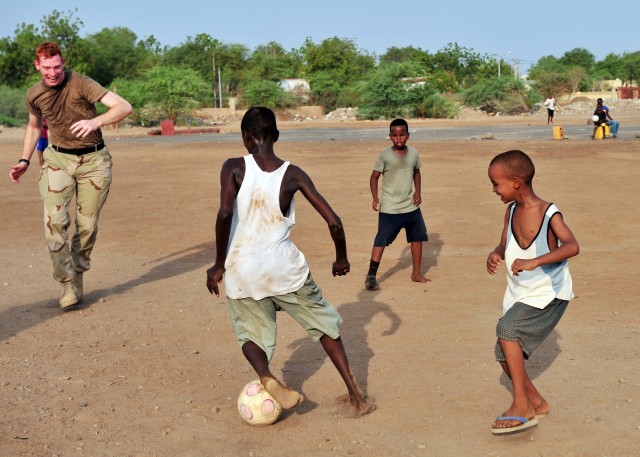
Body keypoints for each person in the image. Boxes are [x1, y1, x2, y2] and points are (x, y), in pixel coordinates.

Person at [205, 107, 376, 417]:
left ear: (246, 138)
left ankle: (267, 376)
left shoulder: (233, 167)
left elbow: (225, 213)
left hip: (243, 271)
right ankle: (356, 395)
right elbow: (334, 221)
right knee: (325, 327)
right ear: (277, 136)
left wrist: (219, 264)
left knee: (250, 335)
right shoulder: (293, 173)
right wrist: (341, 258)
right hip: (286, 271)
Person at [9, 41, 133, 309]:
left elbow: (124, 106)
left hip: (94, 161)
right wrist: (24, 160)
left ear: (62, 63)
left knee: (87, 227)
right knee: (54, 223)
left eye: (56, 67)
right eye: (46, 68)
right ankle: (66, 283)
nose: (52, 73)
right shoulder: (34, 94)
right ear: (37, 65)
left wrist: (95, 121)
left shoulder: (82, 83)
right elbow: (33, 127)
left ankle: (78, 274)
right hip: (57, 160)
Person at [486, 150, 579, 435]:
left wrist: (535, 260)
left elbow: (571, 245)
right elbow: (504, 243)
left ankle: (521, 405)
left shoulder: (548, 212)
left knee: (507, 328)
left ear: (516, 181)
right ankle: (536, 402)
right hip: (521, 292)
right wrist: (496, 253)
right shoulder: (511, 211)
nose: (494, 189)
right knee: (503, 351)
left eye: (496, 183)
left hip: (548, 293)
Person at [365, 118, 430, 291]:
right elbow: (374, 177)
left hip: (411, 206)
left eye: (402, 135)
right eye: (395, 135)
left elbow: (416, 173)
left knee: (418, 237)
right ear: (390, 136)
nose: (398, 138)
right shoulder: (385, 155)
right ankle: (371, 276)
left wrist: (418, 192)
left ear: (408, 135)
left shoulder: (413, 153)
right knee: (381, 240)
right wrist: (375, 197)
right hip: (390, 208)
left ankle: (416, 273)